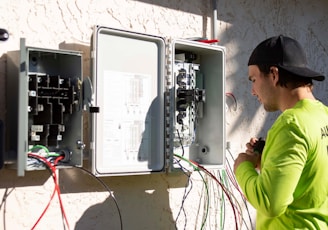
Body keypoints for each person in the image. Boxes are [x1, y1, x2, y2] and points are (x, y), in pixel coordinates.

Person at [233, 35, 328, 229]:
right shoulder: (323, 115)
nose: (252, 90)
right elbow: (311, 172)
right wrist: (269, 157)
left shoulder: (292, 124)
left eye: (253, 79)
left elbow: (271, 203)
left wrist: (242, 167)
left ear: (274, 74)